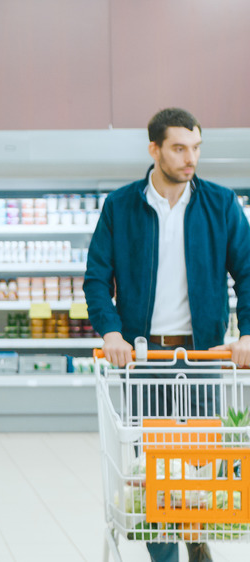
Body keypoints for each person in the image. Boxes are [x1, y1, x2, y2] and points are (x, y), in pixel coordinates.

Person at [84, 107, 250, 562]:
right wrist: (112, 332)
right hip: (145, 360)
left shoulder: (220, 204)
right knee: (152, 465)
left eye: (196, 148)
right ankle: (167, 556)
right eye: (179, 148)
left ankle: (194, 534)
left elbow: (249, 273)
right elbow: (97, 278)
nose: (190, 158)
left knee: (196, 463)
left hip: (204, 357)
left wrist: (248, 335)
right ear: (154, 148)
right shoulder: (121, 206)